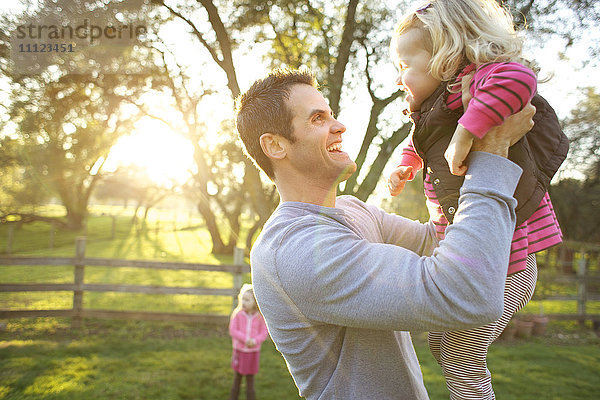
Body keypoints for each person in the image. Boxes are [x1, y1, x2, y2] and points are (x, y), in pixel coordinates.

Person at [235, 67, 534, 400]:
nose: (340, 126)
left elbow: (446, 243)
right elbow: (465, 293)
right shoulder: (291, 250)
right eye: (318, 119)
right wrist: (491, 155)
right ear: (275, 145)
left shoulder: (354, 210)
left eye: (331, 114)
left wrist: (476, 115)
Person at [387, 1, 568, 398]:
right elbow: (420, 141)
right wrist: (404, 163)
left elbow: (520, 80)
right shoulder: (436, 110)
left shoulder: (485, 79)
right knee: (441, 344)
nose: (399, 79)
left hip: (509, 267)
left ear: (446, 55)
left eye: (405, 65)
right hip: (483, 263)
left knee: (462, 354)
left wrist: (467, 133)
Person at [228, 284, 269, 400]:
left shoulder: (260, 317)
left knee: (250, 381)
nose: (244, 302)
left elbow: (264, 332)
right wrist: (245, 340)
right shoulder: (238, 314)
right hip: (239, 351)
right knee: (237, 378)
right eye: (243, 299)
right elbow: (233, 330)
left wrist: (255, 341)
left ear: (255, 302)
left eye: (247, 300)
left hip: (252, 353)